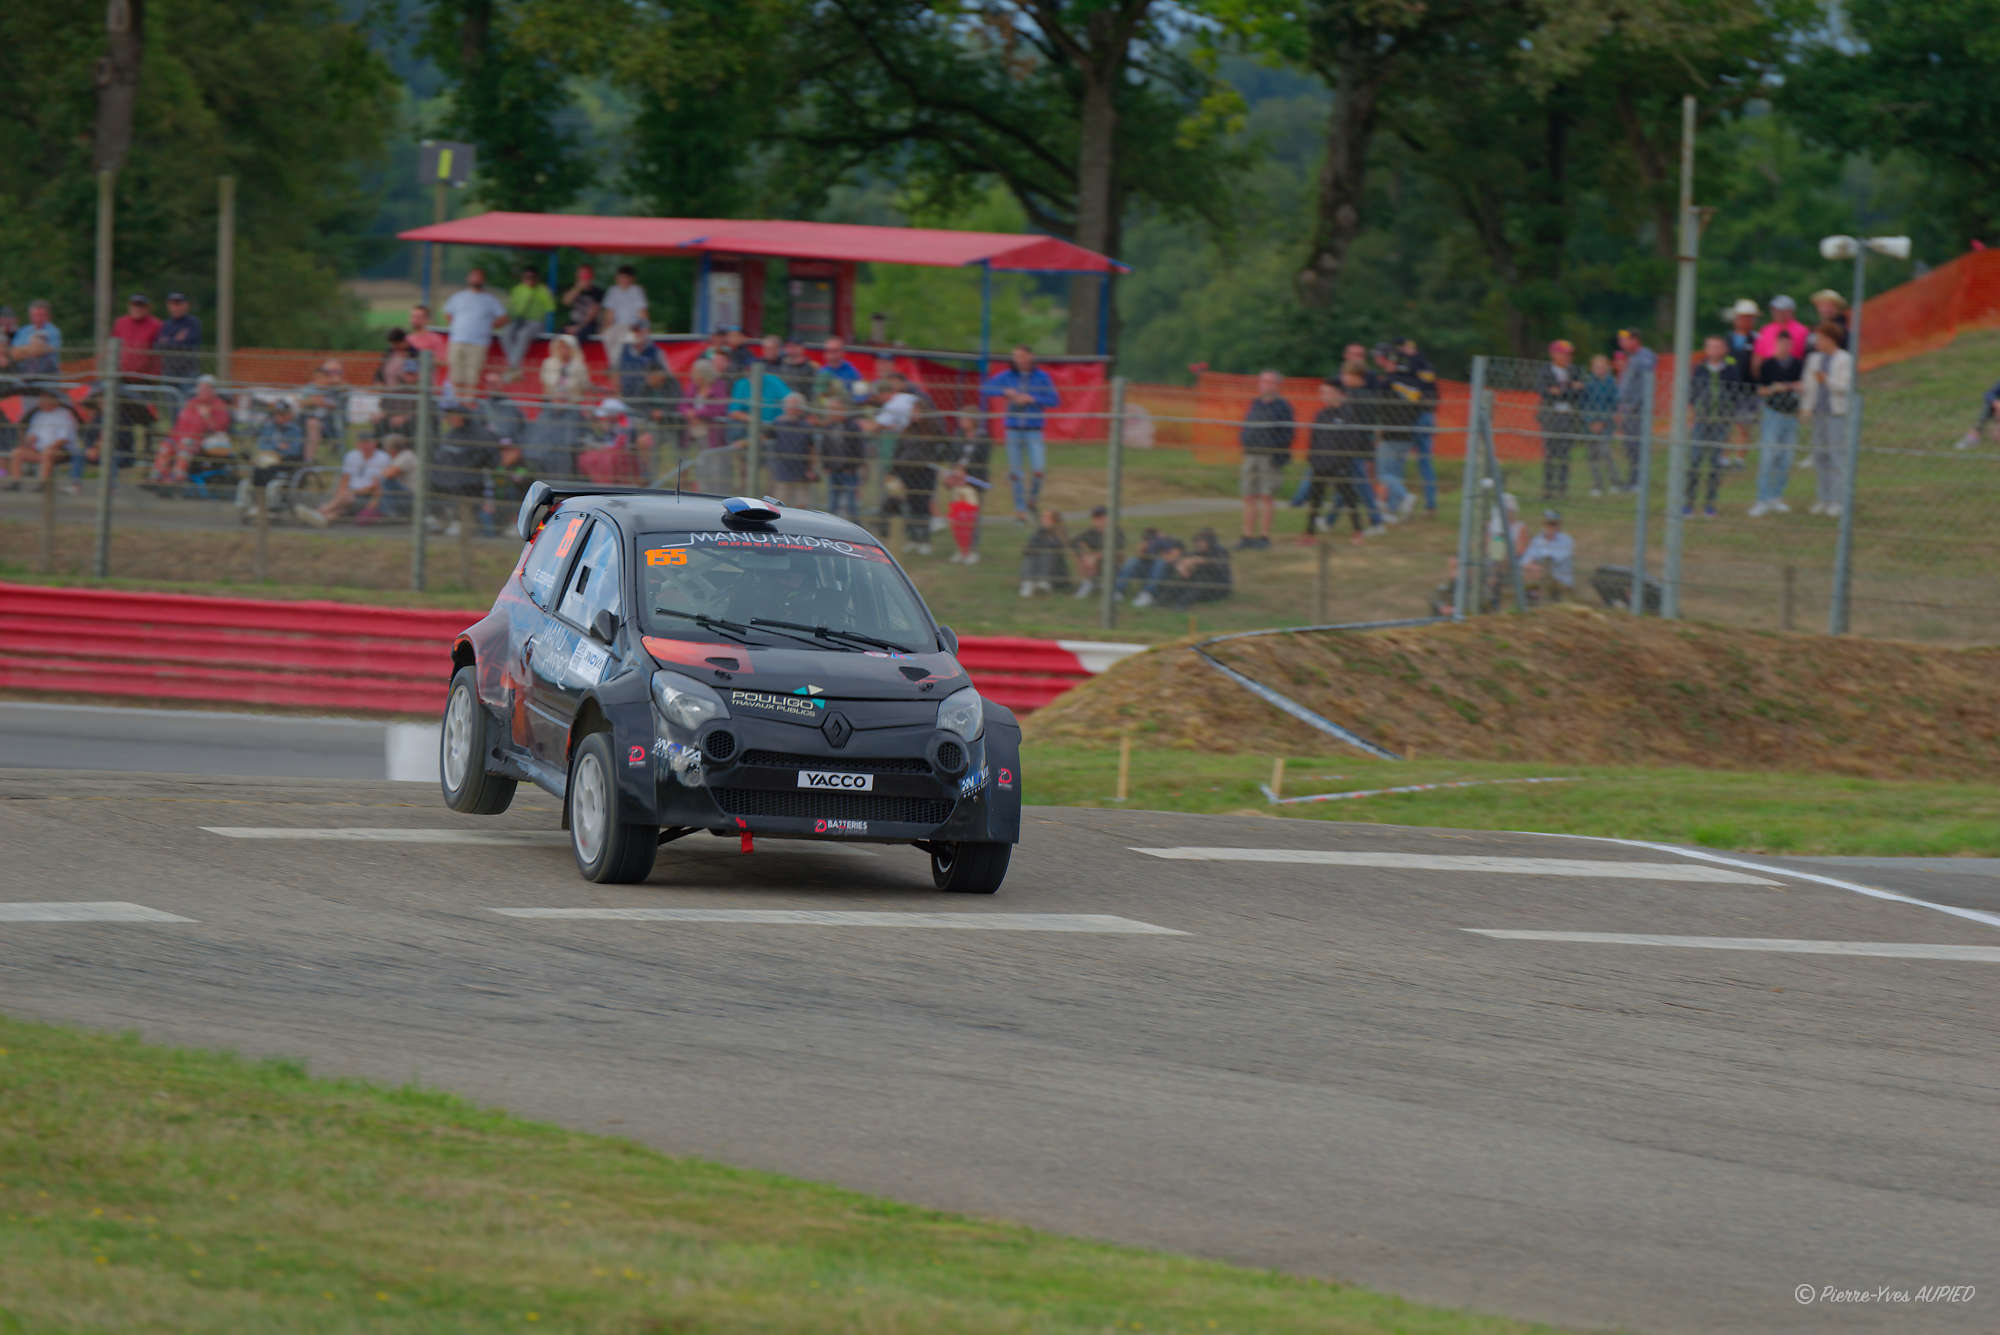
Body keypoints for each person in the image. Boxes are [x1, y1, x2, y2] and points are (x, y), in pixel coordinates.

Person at [980, 344, 1061, 521]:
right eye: (1015, 357)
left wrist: (1033, 399)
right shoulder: (1008, 376)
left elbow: (1055, 400)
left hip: (1034, 430)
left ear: (1030, 357)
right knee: (1016, 473)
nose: (1019, 360)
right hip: (1013, 429)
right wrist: (1005, 392)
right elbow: (985, 388)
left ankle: (1032, 499)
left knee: (1038, 470)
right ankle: (1020, 509)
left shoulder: (1042, 377)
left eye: (1022, 356)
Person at [1304, 377, 1372, 543]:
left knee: (1349, 498)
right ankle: (1309, 533)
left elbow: (1353, 440)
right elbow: (1314, 438)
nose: (1323, 395)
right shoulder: (1321, 414)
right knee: (1315, 499)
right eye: (1322, 392)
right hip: (1320, 464)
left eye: (1327, 392)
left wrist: (1342, 460)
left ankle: (1358, 531)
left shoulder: (1348, 415)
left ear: (1337, 393)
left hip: (1339, 465)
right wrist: (1312, 458)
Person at [1800, 323, 1854, 517]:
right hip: (1818, 413)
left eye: (1821, 338)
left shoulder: (1845, 359)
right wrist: (1806, 408)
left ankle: (1837, 500)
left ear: (1831, 339)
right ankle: (1823, 498)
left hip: (1836, 414)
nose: (1817, 342)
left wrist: (1827, 380)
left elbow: (1845, 387)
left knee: (1836, 457)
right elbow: (1809, 385)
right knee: (1820, 457)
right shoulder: (1814, 359)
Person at [1237, 369, 1294, 549]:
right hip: (1251, 454)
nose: (1264, 385)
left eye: (1269, 382)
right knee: (1248, 495)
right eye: (1262, 381)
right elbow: (1246, 426)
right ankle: (1247, 535)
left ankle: (1264, 536)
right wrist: (1245, 439)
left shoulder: (1283, 407)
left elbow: (1288, 434)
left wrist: (1273, 447)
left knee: (1266, 496)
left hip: (1269, 457)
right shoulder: (1255, 404)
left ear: (1277, 385)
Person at [1749, 329, 1804, 517]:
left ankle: (1776, 496)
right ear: (1776, 344)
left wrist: (1791, 387)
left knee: (1786, 458)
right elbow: (1760, 391)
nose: (1785, 347)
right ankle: (1761, 498)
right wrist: (1774, 389)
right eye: (1782, 343)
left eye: (1788, 344)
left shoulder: (1797, 364)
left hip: (1791, 414)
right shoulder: (1768, 365)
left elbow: (1802, 386)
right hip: (1772, 413)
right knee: (1768, 456)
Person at [1684, 335, 1738, 518]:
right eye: (1710, 346)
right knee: (1695, 461)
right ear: (1706, 350)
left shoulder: (1731, 371)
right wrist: (1691, 414)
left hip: (1720, 423)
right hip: (1702, 421)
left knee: (1715, 464)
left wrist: (1730, 421)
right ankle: (1689, 502)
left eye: (1718, 347)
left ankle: (1710, 503)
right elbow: (1692, 394)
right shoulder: (1699, 369)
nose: (1714, 350)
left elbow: (1735, 396)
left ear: (1724, 350)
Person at [149, 375, 234, 487]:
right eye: (200, 388)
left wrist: (207, 417)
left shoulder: (219, 405)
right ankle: (157, 477)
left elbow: (220, 429)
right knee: (166, 446)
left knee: (185, 445)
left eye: (206, 388)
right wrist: (171, 438)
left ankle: (177, 479)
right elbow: (179, 426)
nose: (202, 391)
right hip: (179, 438)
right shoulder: (191, 403)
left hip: (200, 441)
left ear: (213, 390)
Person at [297, 434, 390, 527]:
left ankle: (317, 512)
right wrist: (340, 494)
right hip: (349, 494)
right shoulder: (352, 455)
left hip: (367, 496)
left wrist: (351, 492)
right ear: (357, 444)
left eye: (367, 442)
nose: (365, 446)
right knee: (342, 508)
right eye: (362, 443)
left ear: (375, 443)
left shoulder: (383, 458)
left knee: (346, 499)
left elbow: (376, 486)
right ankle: (323, 519)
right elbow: (345, 479)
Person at [237, 398, 306, 518]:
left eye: (282, 414)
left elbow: (294, 450)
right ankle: (249, 504)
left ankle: (266, 507)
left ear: (288, 415)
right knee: (256, 470)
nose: (278, 417)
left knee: (265, 470)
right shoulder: (269, 428)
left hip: (284, 462)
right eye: (276, 414)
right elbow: (263, 446)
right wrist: (279, 447)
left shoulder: (295, 431)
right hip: (267, 460)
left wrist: (278, 450)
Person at [1394, 336, 1441, 513]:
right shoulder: (1426, 364)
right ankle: (1430, 504)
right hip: (1427, 415)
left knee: (1398, 460)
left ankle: (1398, 500)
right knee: (1425, 462)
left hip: (1413, 416)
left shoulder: (1408, 365)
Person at [442, 268, 508, 390]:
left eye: (479, 276)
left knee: (472, 377)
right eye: (474, 276)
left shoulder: (490, 300)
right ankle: (455, 404)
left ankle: (468, 404)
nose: (476, 279)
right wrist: (458, 326)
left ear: (483, 280)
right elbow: (447, 314)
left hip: (478, 343)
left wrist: (488, 327)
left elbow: (503, 318)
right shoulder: (458, 297)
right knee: (455, 375)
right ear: (468, 278)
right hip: (458, 340)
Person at [4, 389, 81, 492]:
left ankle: (43, 484)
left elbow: (64, 439)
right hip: (40, 450)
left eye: (44, 400)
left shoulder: (65, 415)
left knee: (47, 452)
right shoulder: (38, 415)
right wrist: (27, 441)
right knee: (17, 452)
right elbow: (32, 436)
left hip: (61, 451)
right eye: (40, 400)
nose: (40, 402)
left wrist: (50, 448)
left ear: (54, 401)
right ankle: (16, 482)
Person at [1535, 339, 1583, 501]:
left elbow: (1577, 394)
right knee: (1550, 454)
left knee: (1564, 454)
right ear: (1554, 354)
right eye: (1564, 354)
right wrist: (1568, 390)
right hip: (1551, 417)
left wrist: (1560, 392)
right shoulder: (1546, 371)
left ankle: (1562, 489)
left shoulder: (1574, 371)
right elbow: (1544, 392)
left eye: (1569, 354)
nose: (1568, 357)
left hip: (1567, 417)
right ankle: (1548, 489)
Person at [814, 371, 865, 519]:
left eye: (835, 410)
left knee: (851, 503)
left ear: (843, 410)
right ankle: (833, 526)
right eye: (830, 410)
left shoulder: (852, 427)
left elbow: (859, 450)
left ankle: (856, 526)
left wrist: (853, 467)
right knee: (833, 502)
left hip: (849, 470)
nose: (831, 413)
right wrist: (826, 466)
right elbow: (823, 448)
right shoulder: (828, 427)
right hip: (833, 469)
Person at [1614, 329, 1656, 491]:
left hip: (1638, 410)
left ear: (1636, 340)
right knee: (1630, 446)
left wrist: (1633, 405)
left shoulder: (1644, 355)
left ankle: (1639, 481)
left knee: (1637, 446)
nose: (1622, 343)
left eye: (1625, 340)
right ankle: (1633, 480)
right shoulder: (1630, 358)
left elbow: (1650, 366)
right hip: (1627, 409)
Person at [687, 359, 736, 493]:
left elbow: (720, 408)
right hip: (695, 433)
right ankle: (703, 491)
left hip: (713, 434)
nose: (694, 377)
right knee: (700, 464)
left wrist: (697, 413)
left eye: (696, 375)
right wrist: (689, 413)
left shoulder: (718, 387)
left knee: (715, 465)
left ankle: (717, 493)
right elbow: (683, 404)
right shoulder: (693, 387)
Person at [1156, 528, 1232, 608]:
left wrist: (1201, 561)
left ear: (1209, 542)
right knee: (1180, 576)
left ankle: (1181, 604)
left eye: (1201, 542)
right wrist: (1182, 566)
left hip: (1217, 588)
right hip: (1200, 588)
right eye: (1196, 541)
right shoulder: (1196, 552)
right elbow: (1184, 560)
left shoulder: (1220, 552)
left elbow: (1219, 568)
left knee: (1202, 579)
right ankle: (1163, 600)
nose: (1198, 544)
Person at [500, 266, 554, 376]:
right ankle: (514, 365)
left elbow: (551, 309)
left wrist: (548, 295)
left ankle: (513, 366)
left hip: (535, 322)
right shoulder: (517, 289)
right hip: (518, 320)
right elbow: (511, 309)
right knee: (505, 332)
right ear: (523, 278)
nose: (529, 280)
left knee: (523, 334)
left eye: (532, 277)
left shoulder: (543, 290)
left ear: (537, 278)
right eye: (527, 277)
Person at [1578, 353, 1620, 495]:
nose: (1600, 370)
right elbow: (1582, 405)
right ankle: (1597, 485)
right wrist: (1590, 421)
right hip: (1590, 426)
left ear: (1607, 368)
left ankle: (1615, 482)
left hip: (1606, 425)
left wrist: (1602, 421)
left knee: (1606, 452)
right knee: (1592, 455)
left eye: (1602, 367)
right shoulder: (1588, 384)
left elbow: (1613, 404)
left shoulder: (1611, 383)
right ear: (1592, 368)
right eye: (1597, 367)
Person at [577, 398, 642, 487]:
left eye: (606, 416)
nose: (604, 419)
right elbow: (608, 440)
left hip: (625, 457)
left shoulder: (625, 423)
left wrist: (600, 447)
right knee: (586, 457)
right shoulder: (615, 424)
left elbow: (619, 444)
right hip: (616, 453)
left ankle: (606, 485)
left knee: (604, 458)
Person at [768, 392, 816, 507]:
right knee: (779, 502)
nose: (791, 409)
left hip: (801, 470)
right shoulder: (778, 423)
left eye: (795, 407)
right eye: (789, 406)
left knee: (802, 504)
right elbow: (765, 438)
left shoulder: (806, 426)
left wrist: (811, 469)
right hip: (782, 469)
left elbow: (812, 449)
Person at [297, 359, 349, 460]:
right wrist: (312, 401)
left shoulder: (335, 389)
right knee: (309, 423)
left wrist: (323, 401)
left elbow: (343, 394)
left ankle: (308, 460)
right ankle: (302, 458)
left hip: (328, 424)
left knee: (313, 423)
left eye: (337, 372)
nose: (332, 375)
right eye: (330, 372)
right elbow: (300, 402)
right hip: (305, 420)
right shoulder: (310, 388)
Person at [1519, 509, 1575, 602]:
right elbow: (1525, 561)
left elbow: (1553, 560)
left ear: (1559, 525)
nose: (1550, 527)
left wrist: (1536, 566)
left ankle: (1534, 598)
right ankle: (1533, 598)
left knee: (1542, 568)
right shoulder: (1537, 540)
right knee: (1529, 570)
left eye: (1553, 524)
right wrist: (1532, 566)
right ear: (1543, 524)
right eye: (1548, 523)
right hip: (1540, 576)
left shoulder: (1566, 540)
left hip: (1560, 580)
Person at [1069, 505, 1123, 598]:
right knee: (1083, 558)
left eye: (1100, 517)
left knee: (1111, 556)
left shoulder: (1116, 531)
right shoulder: (1092, 532)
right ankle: (1089, 582)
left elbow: (1117, 548)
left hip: (1112, 564)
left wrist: (1095, 557)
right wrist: (1083, 556)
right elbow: (1073, 542)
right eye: (1095, 517)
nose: (1097, 520)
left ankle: (1109, 588)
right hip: (1093, 565)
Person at [1017, 508, 1071, 596]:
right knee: (1030, 554)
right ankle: (1028, 582)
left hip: (1055, 573)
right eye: (1043, 517)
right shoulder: (1040, 531)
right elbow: (1028, 548)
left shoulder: (1060, 532)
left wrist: (1040, 545)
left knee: (1047, 552)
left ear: (1054, 520)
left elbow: (1057, 546)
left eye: (1046, 518)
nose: (1043, 520)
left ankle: (1043, 582)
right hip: (1037, 567)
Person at [601, 265, 648, 363]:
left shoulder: (636, 291)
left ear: (631, 279)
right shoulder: (613, 291)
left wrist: (645, 329)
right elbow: (610, 313)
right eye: (621, 277)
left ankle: (624, 364)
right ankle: (615, 364)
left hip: (634, 325)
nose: (623, 280)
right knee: (608, 335)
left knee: (627, 339)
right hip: (618, 326)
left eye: (626, 277)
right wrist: (605, 327)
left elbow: (642, 312)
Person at [615, 319, 669, 402]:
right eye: (634, 331)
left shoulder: (656, 352)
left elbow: (665, 377)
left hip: (648, 400)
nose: (637, 334)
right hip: (626, 398)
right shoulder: (623, 350)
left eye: (640, 331)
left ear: (647, 332)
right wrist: (618, 390)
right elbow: (616, 373)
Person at [157, 292, 202, 389]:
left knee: (186, 401)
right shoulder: (166, 324)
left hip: (188, 371)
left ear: (186, 305)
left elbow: (188, 341)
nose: (175, 307)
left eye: (178, 304)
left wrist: (168, 341)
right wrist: (176, 340)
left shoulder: (193, 323)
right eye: (172, 304)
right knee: (169, 401)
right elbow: (158, 345)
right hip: (169, 371)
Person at [111, 293, 162, 379]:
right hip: (122, 374)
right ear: (129, 307)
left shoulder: (156, 325)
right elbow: (113, 347)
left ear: (147, 308)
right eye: (135, 305)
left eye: (141, 306)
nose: (137, 309)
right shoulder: (120, 322)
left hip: (146, 376)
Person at [1752, 295, 1809, 372]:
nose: (1778, 313)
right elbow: (1758, 356)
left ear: (1791, 311)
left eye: (1782, 310)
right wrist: (1756, 372)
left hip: (1792, 373)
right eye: (1775, 310)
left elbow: (1805, 356)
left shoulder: (1802, 330)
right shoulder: (1766, 329)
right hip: (1768, 372)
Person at [943, 467, 984, 564]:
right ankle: (961, 551)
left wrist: (966, 477)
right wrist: (951, 478)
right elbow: (948, 483)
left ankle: (971, 552)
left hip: (971, 497)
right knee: (958, 527)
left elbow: (983, 483)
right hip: (958, 495)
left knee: (970, 526)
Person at [539, 333, 592, 405]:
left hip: (572, 403)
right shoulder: (548, 363)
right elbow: (546, 383)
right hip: (551, 403)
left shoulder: (579, 366)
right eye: (561, 347)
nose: (563, 350)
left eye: (566, 347)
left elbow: (584, 386)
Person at [11, 300, 61, 376]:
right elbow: (13, 354)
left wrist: (23, 351)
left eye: (41, 315)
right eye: (35, 315)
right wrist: (34, 349)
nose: (38, 318)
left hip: (47, 377)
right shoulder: (23, 331)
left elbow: (38, 351)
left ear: (48, 316)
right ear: (30, 316)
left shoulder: (53, 331)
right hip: (23, 376)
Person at [561, 265, 606, 341]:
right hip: (573, 322)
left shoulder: (598, 292)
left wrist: (578, 327)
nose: (584, 279)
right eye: (581, 275)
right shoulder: (572, 288)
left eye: (586, 276)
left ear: (591, 277)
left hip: (589, 325)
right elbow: (566, 302)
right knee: (559, 338)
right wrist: (577, 289)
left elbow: (592, 315)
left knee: (576, 338)